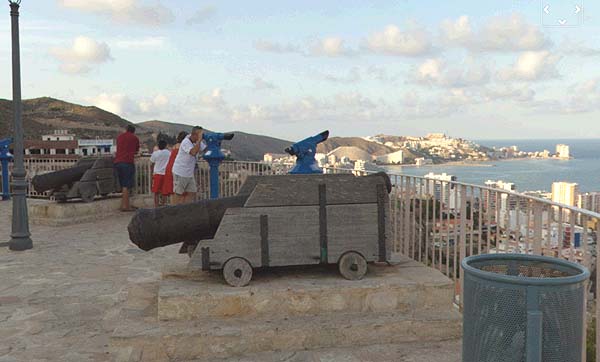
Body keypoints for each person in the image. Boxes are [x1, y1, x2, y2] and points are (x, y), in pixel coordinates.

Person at [171, 126, 206, 204]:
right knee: (178, 193)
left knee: (192, 192)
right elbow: (193, 152)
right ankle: (173, 211)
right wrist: (199, 140)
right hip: (180, 172)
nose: (201, 136)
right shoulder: (186, 142)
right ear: (194, 135)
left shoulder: (196, 141)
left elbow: (205, 149)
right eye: (200, 135)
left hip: (189, 174)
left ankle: (184, 208)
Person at [114, 124, 140, 212]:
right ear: (133, 131)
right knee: (127, 185)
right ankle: (126, 206)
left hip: (117, 162)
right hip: (127, 162)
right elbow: (136, 150)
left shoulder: (119, 137)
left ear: (126, 129)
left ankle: (123, 205)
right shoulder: (134, 138)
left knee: (123, 185)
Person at [162, 131, 188, 199]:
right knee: (180, 191)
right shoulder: (184, 146)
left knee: (172, 191)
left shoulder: (174, 146)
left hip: (169, 168)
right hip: (177, 169)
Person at [150, 139, 171, 207]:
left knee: (156, 192)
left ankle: (156, 205)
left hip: (157, 174)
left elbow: (152, 163)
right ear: (165, 146)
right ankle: (163, 205)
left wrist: (152, 173)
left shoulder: (155, 153)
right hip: (166, 174)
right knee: (164, 191)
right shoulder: (169, 153)